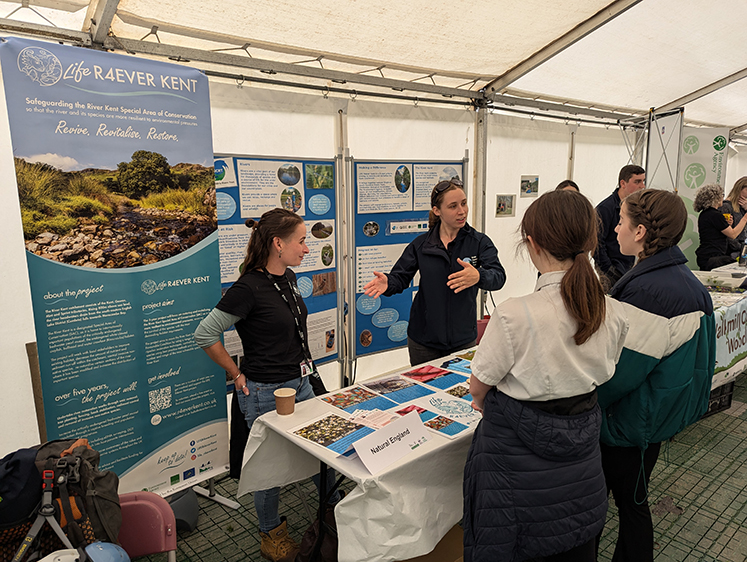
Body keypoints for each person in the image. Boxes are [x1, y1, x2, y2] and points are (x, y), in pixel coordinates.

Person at [463, 190, 630, 562]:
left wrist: (483, 397)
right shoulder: (613, 311)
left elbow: (478, 387)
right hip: (584, 466)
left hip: (513, 477)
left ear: (532, 243)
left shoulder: (513, 315)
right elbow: (607, 369)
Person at [194, 208, 339, 562]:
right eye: (302, 241)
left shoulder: (286, 277)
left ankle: (336, 515)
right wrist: (237, 374)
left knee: (321, 452)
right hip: (264, 393)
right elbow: (205, 333)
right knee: (269, 471)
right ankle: (270, 535)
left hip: (300, 384)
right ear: (278, 243)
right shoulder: (248, 287)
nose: (307, 248)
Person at [599, 189, 715, 562]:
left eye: (621, 221)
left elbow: (620, 373)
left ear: (641, 232)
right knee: (633, 501)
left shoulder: (650, 291)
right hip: (653, 416)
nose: (615, 228)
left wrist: (580, 399)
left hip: (629, 422)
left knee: (629, 507)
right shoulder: (680, 279)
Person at [362, 178, 506, 365]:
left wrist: (479, 276)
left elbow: (499, 276)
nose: (461, 211)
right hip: (423, 342)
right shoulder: (421, 244)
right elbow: (400, 278)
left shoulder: (479, 242)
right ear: (437, 211)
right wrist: (388, 282)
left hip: (463, 341)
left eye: (463, 203)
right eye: (453, 206)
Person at [594, 165, 645, 286]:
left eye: (643, 181)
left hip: (629, 266)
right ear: (623, 183)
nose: (642, 186)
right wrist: (608, 269)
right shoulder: (605, 208)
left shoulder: (635, 208)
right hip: (610, 269)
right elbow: (596, 242)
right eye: (637, 182)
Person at [695, 183, 747, 270]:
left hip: (706, 256)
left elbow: (715, 231)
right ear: (716, 199)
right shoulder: (715, 215)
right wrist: (745, 218)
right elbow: (733, 234)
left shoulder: (705, 214)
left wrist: (727, 225)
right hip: (713, 257)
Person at [719, 176, 747, 253]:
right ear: (739, 189)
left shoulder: (742, 207)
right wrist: (741, 248)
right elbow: (728, 234)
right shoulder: (726, 206)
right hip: (731, 251)